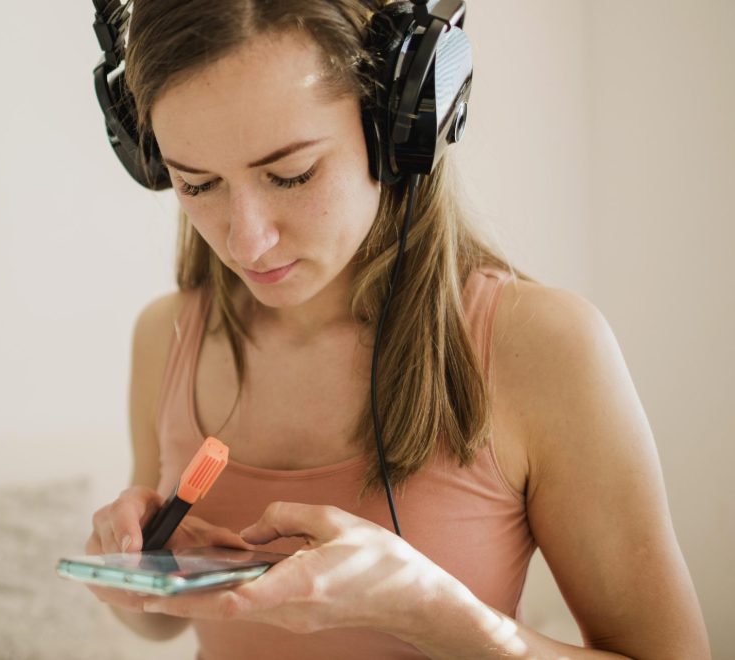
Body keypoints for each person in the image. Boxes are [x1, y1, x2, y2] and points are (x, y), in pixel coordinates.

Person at [84, 1, 710, 657]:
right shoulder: (165, 336)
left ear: (399, 127)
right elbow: (157, 621)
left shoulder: (544, 347)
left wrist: (427, 611)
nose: (247, 241)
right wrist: (130, 565)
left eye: (292, 175)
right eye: (197, 184)